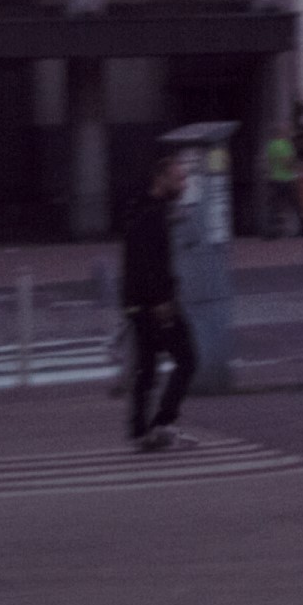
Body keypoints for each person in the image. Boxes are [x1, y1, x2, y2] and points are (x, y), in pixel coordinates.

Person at [117, 145, 196, 451]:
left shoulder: (141, 207)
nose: (184, 185)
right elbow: (150, 262)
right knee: (187, 359)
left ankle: (140, 431)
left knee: (146, 366)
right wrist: (162, 301)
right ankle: (163, 423)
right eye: (179, 179)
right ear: (160, 179)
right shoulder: (153, 214)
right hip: (155, 303)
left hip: (136, 302)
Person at [260, 122, 303, 238]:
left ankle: (269, 232)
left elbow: (266, 162)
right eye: (286, 130)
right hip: (287, 179)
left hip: (274, 178)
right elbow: (287, 163)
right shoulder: (285, 145)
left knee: (273, 207)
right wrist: (296, 165)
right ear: (281, 132)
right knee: (296, 205)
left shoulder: (270, 145)